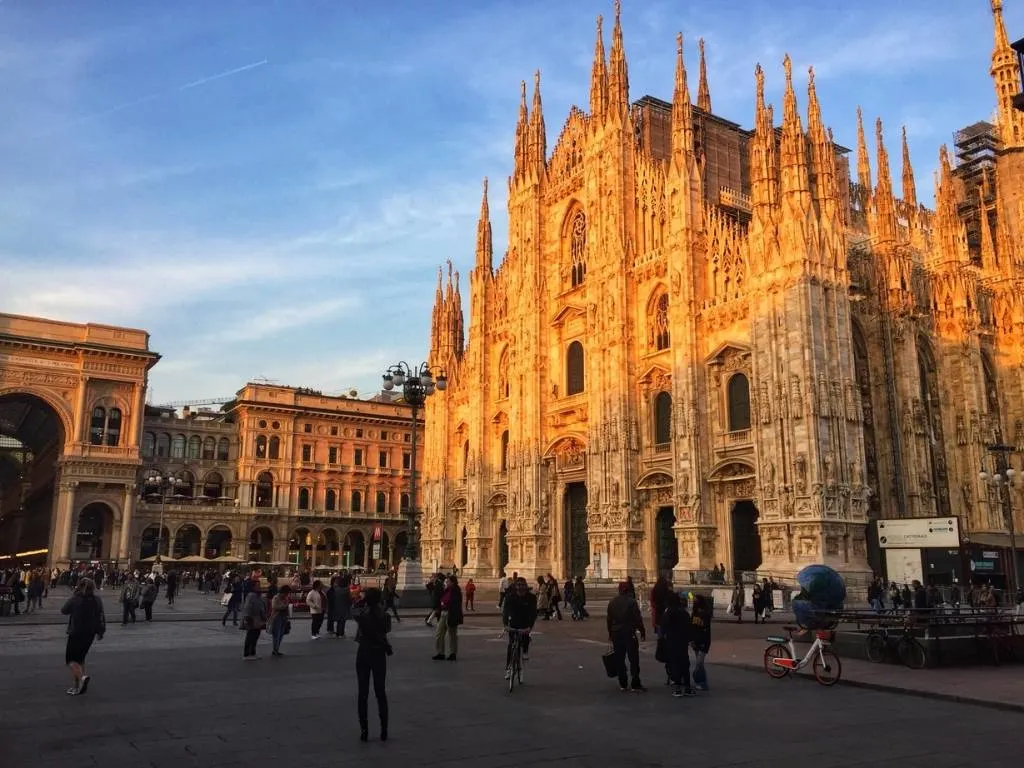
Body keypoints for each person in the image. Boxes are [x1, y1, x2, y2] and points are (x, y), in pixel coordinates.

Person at [353, 587, 392, 742]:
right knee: (380, 692)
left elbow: (352, 609)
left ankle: (364, 730)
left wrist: (363, 601)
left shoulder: (361, 615)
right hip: (379, 654)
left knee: (363, 693)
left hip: (364, 652)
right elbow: (387, 630)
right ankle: (384, 729)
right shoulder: (385, 616)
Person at [60, 578, 106, 695]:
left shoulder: (76, 599)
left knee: (71, 660)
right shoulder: (97, 600)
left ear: (79, 586)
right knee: (80, 659)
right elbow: (101, 616)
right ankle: (77, 687)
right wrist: (100, 631)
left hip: (76, 633)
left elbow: (64, 610)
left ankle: (82, 678)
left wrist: (74, 596)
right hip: (89, 634)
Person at [606, 581, 646, 692]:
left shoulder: (612, 602)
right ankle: (635, 682)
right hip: (629, 632)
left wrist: (610, 633)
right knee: (633, 658)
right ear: (627, 590)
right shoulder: (632, 602)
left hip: (616, 633)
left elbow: (609, 620)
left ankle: (622, 682)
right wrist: (642, 631)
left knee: (619, 658)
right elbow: (638, 619)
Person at [660, 592, 695, 697]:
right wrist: (690, 639)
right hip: (683, 641)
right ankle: (687, 687)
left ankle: (678, 688)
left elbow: (663, 627)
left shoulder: (668, 612)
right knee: (684, 663)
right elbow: (689, 627)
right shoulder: (683, 612)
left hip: (672, 641)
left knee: (675, 664)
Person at [502, 577, 538, 678]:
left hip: (525, 622)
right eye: (518, 585)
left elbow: (533, 613)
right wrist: (505, 625)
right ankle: (509, 668)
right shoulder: (510, 597)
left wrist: (530, 627)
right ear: (515, 586)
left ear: (526, 586)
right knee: (511, 644)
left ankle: (525, 650)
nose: (520, 587)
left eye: (522, 585)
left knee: (525, 635)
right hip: (513, 622)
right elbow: (505, 612)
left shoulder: (531, 597)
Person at [432, 575, 463, 661]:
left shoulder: (456, 591)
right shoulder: (446, 590)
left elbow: (456, 605)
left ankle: (453, 653)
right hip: (443, 613)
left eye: (448, 581)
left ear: (452, 582)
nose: (446, 582)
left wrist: (446, 604)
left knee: (452, 635)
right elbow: (441, 599)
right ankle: (440, 652)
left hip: (451, 614)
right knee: (439, 633)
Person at [690, 594, 712, 691]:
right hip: (696, 640)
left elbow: (706, 629)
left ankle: (697, 677)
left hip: (704, 640)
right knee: (701, 663)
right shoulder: (694, 613)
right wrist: (691, 639)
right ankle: (702, 682)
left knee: (699, 662)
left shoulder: (706, 613)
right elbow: (692, 627)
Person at [240, 582, 268, 660]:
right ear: (253, 587)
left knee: (256, 636)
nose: (259, 587)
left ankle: (253, 652)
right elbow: (248, 607)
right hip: (252, 618)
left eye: (260, 585)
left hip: (258, 618)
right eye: (257, 586)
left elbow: (261, 606)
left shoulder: (258, 596)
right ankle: (246, 654)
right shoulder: (251, 596)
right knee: (250, 636)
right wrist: (247, 617)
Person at [270, 585, 292, 656]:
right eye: (287, 593)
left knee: (281, 633)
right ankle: (275, 650)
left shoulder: (285, 598)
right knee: (277, 634)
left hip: (283, 617)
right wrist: (284, 606)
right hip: (277, 617)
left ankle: (277, 649)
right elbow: (274, 606)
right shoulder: (276, 597)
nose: (287, 594)